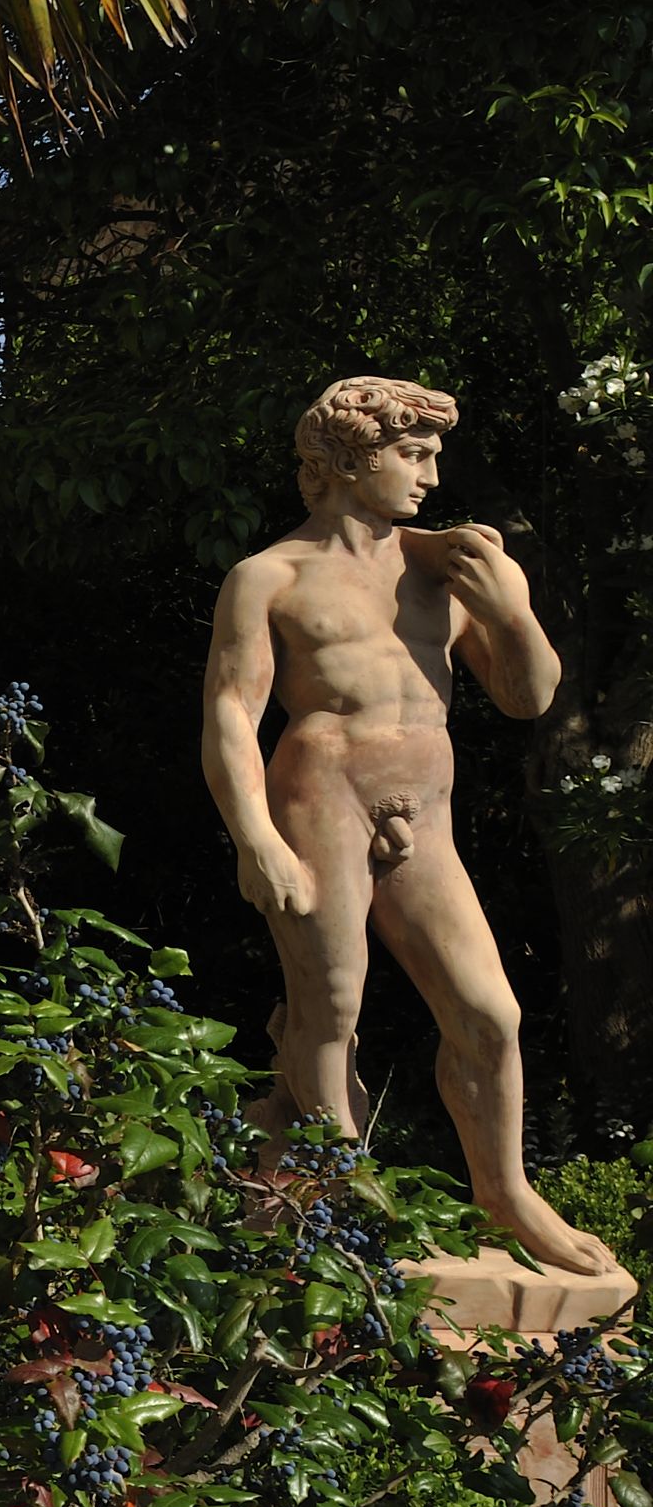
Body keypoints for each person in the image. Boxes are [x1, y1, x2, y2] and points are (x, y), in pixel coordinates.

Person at [199, 374, 615, 1276]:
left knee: (489, 1013)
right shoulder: (270, 576)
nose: (428, 475)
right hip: (319, 796)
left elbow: (527, 697)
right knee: (331, 1005)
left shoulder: (444, 572)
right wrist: (256, 839)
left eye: (431, 456)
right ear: (351, 460)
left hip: (425, 812)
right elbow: (233, 713)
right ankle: (337, 1201)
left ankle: (505, 1194)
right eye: (412, 454)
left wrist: (511, 606)